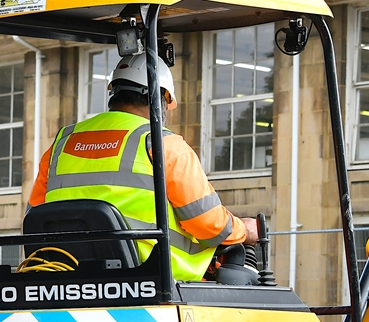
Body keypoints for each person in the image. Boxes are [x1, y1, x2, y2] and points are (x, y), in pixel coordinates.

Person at [28, 52, 258, 281]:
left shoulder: (62, 141)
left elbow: (35, 214)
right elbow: (209, 224)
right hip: (150, 279)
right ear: (162, 97)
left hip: (63, 274)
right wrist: (244, 230)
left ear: (114, 93)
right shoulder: (164, 144)